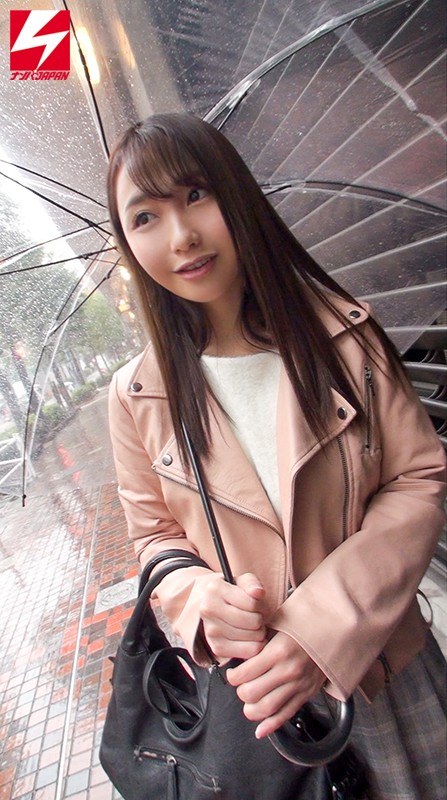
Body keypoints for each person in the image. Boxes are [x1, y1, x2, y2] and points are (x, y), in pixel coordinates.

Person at [106, 113, 446, 799]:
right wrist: (200, 599)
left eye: (196, 194)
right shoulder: (138, 396)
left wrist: (318, 631)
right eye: (145, 217)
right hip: (259, 708)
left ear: (236, 195)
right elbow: (154, 536)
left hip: (384, 672)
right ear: (128, 243)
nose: (181, 236)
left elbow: (417, 478)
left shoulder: (344, 337)